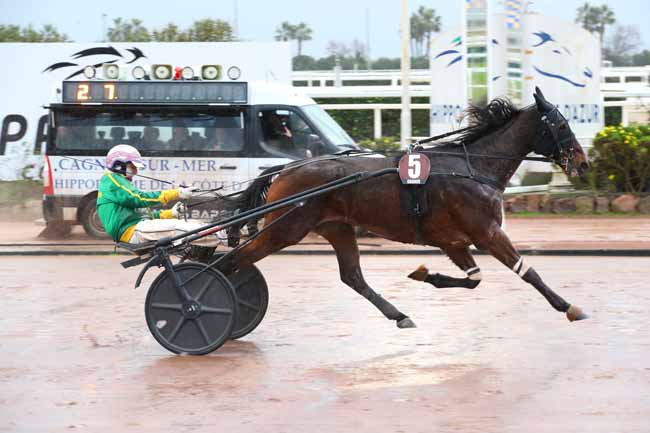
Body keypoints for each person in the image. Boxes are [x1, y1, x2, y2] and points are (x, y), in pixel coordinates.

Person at [96, 144, 224, 246]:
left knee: (195, 224)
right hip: (131, 230)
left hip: (139, 226)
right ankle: (226, 236)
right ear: (119, 165)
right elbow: (138, 199)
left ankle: (228, 233)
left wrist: (171, 214)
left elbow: (146, 214)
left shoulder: (122, 183)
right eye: (133, 166)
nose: (136, 171)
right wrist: (176, 193)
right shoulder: (110, 180)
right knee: (181, 228)